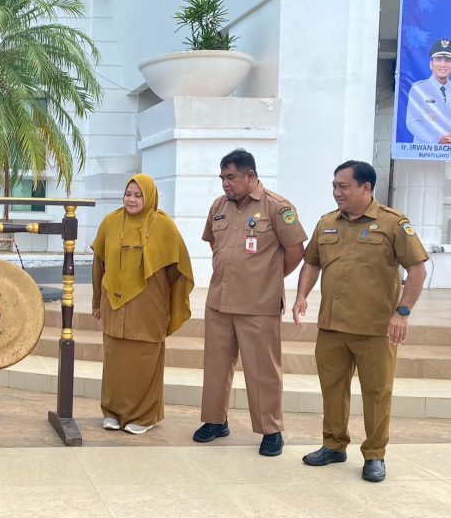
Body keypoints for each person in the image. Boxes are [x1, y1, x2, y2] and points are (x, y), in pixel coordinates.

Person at [294, 160, 428, 483]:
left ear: (366, 188)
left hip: (375, 329)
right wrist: (302, 296)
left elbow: (418, 269)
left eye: (344, 186)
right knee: (332, 389)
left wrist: (403, 311)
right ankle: (334, 444)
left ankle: (374, 455)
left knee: (377, 392)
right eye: (335, 186)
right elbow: (311, 264)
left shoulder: (394, 224)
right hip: (332, 326)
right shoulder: (327, 223)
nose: (337, 192)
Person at [193, 149, 307, 456]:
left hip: (259, 304)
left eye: (230, 177)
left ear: (250, 176)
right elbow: (216, 244)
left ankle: (271, 429)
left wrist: (268, 278)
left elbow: (296, 250)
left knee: (262, 371)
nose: (225, 184)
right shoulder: (219, 206)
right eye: (222, 178)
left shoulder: (277, 207)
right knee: (215, 367)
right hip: (220, 300)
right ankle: (216, 421)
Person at [91, 174, 194, 435]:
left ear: (149, 197)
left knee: (144, 359)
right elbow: (98, 265)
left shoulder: (164, 226)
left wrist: (170, 305)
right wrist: (96, 301)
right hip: (113, 302)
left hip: (149, 304)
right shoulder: (110, 223)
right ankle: (112, 412)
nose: (132, 200)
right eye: (128, 194)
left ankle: (144, 416)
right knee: (114, 358)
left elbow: (179, 270)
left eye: (138, 195)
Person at [405, 38, 451, 144]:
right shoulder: (419, 89)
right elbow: (412, 122)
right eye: (438, 59)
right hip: (425, 153)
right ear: (431, 64)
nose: (443, 64)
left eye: (448, 60)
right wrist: (437, 139)